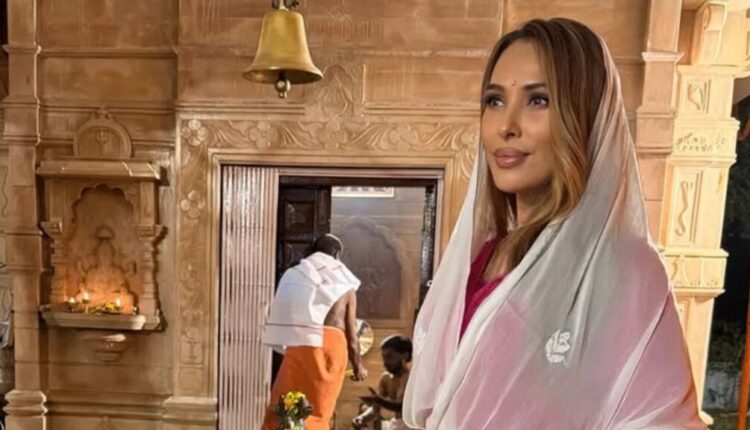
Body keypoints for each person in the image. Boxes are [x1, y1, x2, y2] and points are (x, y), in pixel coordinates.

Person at [402, 18, 706, 429]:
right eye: (495, 100)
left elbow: (663, 419)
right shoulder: (483, 257)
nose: (506, 126)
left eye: (538, 100)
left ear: (584, 117)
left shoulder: (620, 269)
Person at [262, 234, 368, 430]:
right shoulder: (346, 286)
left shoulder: (300, 274)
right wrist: (358, 366)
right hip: (333, 347)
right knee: (319, 408)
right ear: (337, 255)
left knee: (284, 400)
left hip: (303, 342)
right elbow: (352, 336)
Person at [352, 335, 412, 430]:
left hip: (412, 426)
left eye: (390, 356)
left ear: (405, 355)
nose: (385, 362)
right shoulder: (386, 378)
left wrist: (379, 400)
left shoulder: (411, 378)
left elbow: (403, 407)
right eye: (384, 357)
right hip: (397, 424)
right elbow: (375, 409)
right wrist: (362, 418)